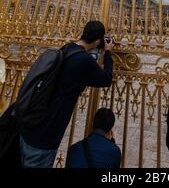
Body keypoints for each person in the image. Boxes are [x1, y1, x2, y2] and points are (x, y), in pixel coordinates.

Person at [20, 21, 113, 168]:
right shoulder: (83, 60)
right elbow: (106, 79)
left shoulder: (67, 48)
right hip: (45, 134)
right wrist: (108, 52)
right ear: (97, 41)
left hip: (31, 124)